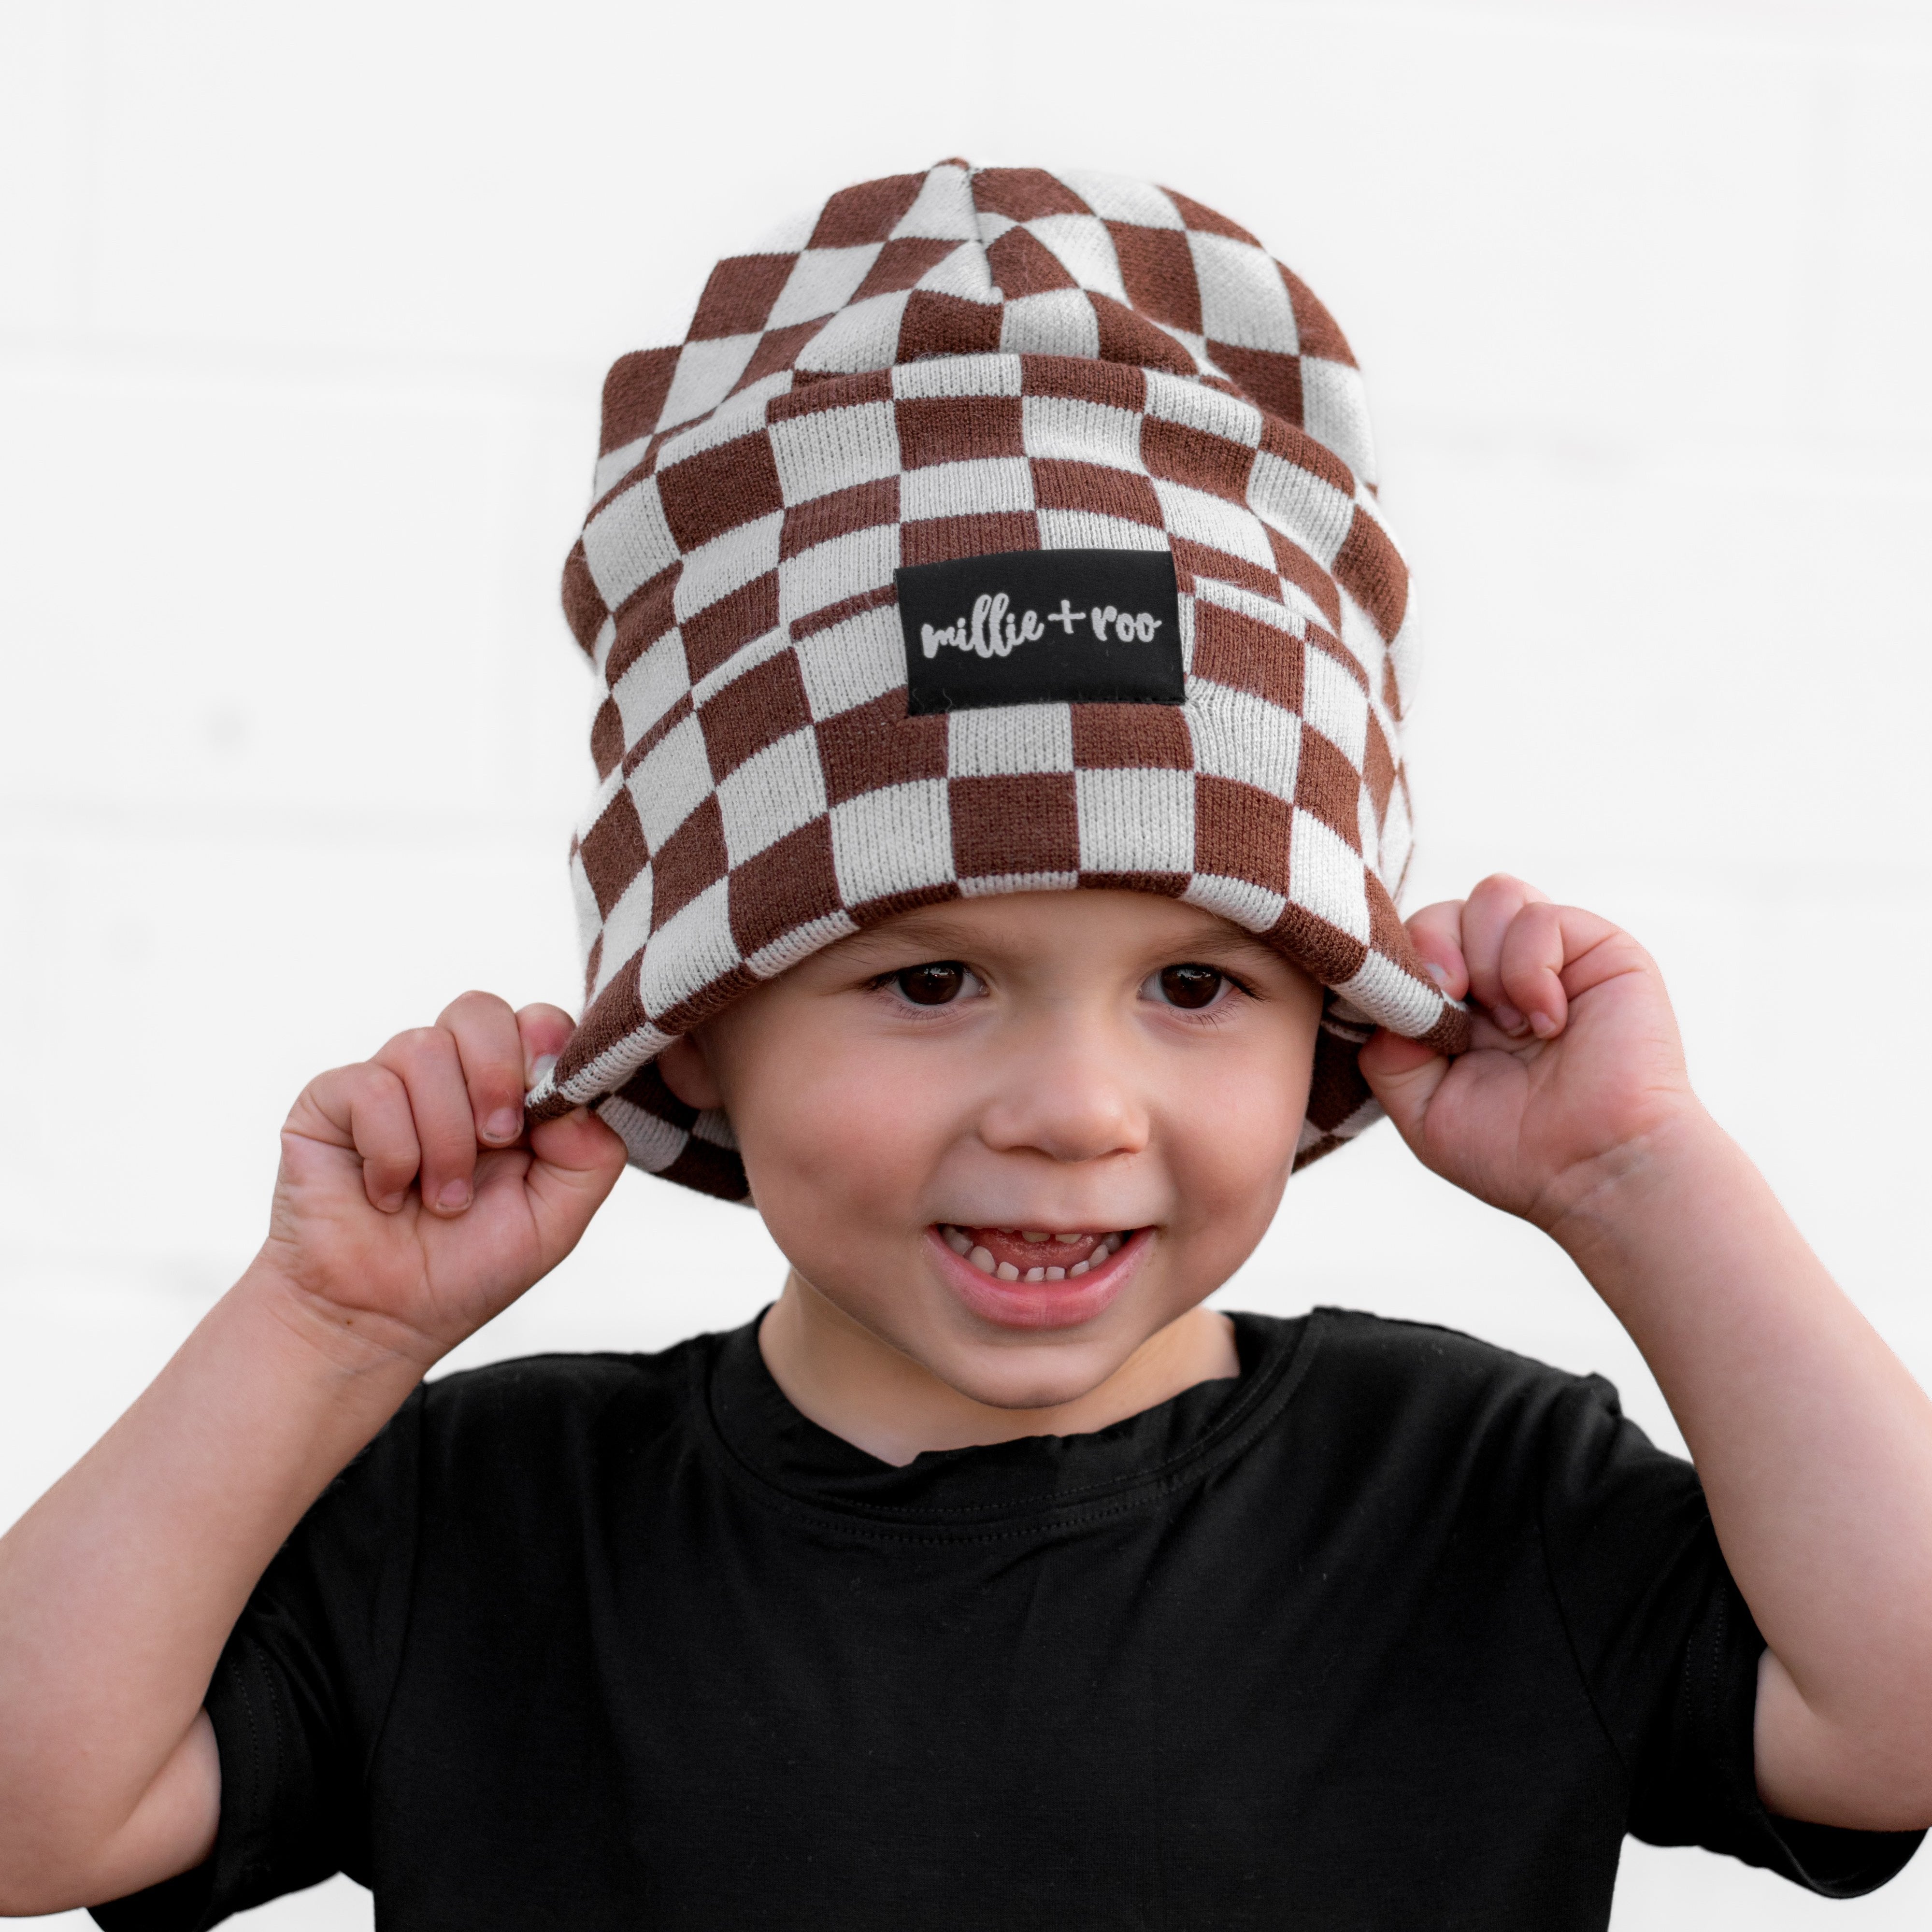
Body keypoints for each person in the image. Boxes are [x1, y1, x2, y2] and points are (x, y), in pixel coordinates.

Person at [1, 161, 1927, 1931]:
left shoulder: (1471, 1495)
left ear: (1326, 1029)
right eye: (929, 982)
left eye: (1197, 987)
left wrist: (1635, 1178)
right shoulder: (483, 1528)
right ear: (695, 1033)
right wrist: (324, 1327)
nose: (1077, 1109)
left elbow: (1898, 1715)